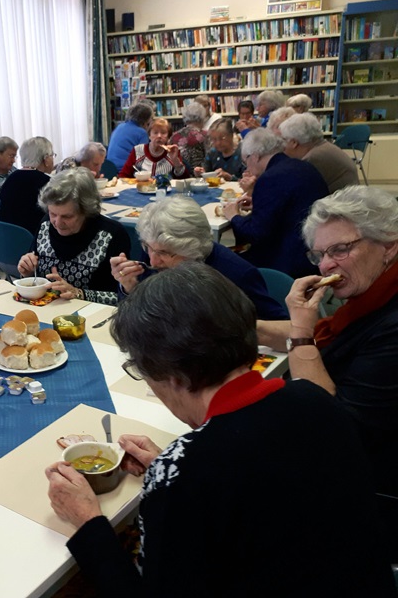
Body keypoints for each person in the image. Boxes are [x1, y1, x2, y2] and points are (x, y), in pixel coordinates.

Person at [46, 263, 394, 596]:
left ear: (172, 376)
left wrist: (88, 520)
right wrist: (173, 473)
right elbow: (269, 490)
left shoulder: (188, 469)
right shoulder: (315, 398)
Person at [256, 186, 398, 560]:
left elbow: (333, 427)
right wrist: (244, 326)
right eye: (319, 254)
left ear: (389, 245)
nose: (325, 266)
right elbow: (331, 335)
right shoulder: (373, 296)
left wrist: (301, 332)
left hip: (370, 486)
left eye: (340, 249)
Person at [110, 197, 287, 320]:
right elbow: (138, 316)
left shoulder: (235, 274)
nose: (153, 262)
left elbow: (284, 329)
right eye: (148, 248)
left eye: (165, 253)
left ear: (193, 249)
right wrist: (130, 287)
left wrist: (229, 326)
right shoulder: (153, 251)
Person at [221, 129, 329, 278]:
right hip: (313, 253)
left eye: (246, 162)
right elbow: (290, 204)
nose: (248, 169)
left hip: (285, 261)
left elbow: (255, 234)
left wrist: (234, 216)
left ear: (255, 156)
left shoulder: (269, 178)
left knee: (220, 259)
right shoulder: (303, 166)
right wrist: (258, 203)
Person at [17, 168, 130, 305]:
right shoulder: (46, 224)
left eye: (67, 216)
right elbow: (35, 274)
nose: (57, 223)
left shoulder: (111, 235)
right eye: (53, 213)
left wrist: (78, 293)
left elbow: (124, 298)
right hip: (46, 310)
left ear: (86, 211)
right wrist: (28, 272)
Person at [279, 113, 360, 193]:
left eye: (283, 140)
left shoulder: (312, 159)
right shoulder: (325, 148)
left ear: (294, 142)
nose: (282, 146)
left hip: (338, 203)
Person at [0, 136, 54, 236]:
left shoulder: (10, 179)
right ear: (45, 159)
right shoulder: (47, 183)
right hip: (34, 242)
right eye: (52, 155)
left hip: (7, 241)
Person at [118, 118, 187, 179]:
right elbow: (123, 175)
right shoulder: (138, 150)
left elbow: (184, 180)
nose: (159, 136)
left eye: (163, 133)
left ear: (168, 137)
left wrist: (176, 161)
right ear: (149, 135)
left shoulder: (173, 151)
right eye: (155, 133)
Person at [107, 101, 154, 170]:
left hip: (110, 169)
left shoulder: (120, 127)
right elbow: (144, 160)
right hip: (127, 172)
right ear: (145, 122)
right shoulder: (142, 133)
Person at [170, 103, 208, 174]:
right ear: (202, 118)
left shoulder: (174, 136)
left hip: (180, 174)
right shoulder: (206, 135)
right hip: (200, 175)